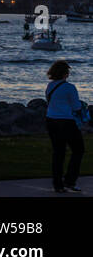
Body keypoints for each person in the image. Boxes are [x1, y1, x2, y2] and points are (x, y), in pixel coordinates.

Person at [45, 60, 84, 193]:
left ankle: (58, 184)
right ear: (65, 73)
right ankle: (70, 181)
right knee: (78, 150)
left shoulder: (50, 86)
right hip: (66, 121)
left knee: (58, 153)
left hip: (51, 120)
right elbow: (76, 106)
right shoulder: (69, 87)